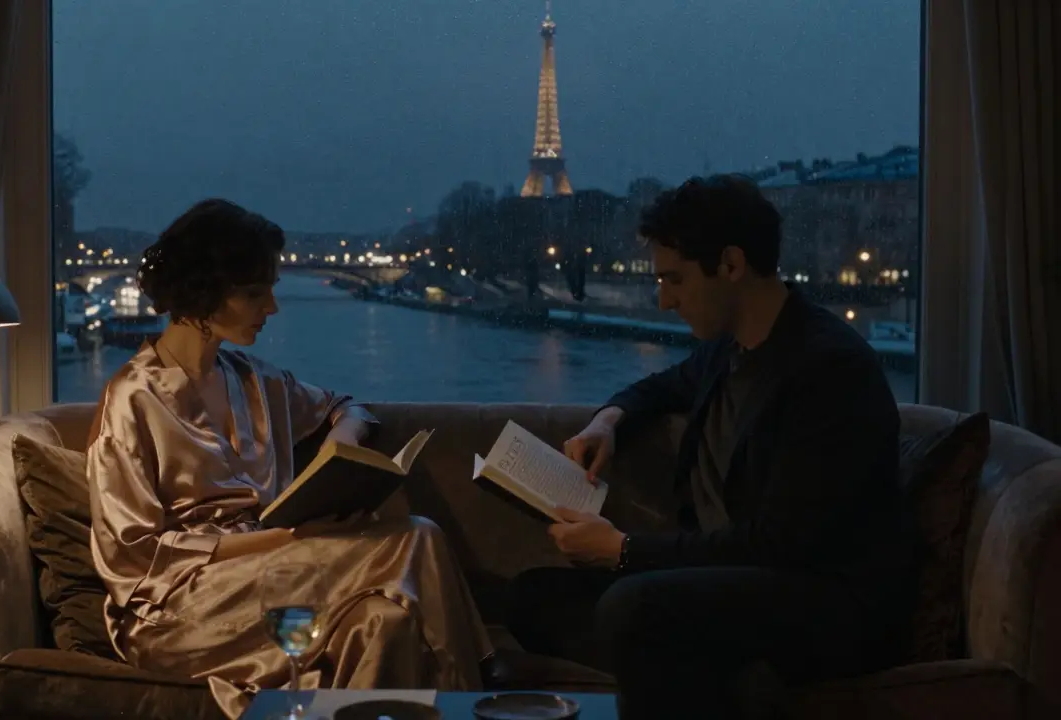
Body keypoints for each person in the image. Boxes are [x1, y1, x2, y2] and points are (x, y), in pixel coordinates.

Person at [505, 175, 919, 719]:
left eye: (674, 280)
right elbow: (661, 387)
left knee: (633, 610)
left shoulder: (830, 371)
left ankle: (705, 666)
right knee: (531, 596)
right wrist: (608, 421)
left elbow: (780, 545)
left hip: (820, 599)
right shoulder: (730, 347)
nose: (663, 299)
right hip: (732, 582)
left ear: (729, 264)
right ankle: (724, 674)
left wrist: (624, 551)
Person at [88, 199, 492, 719]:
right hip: (179, 607)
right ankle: (481, 687)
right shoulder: (132, 398)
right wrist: (286, 538)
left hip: (278, 574)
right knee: (416, 534)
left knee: (383, 622)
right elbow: (135, 557)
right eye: (257, 293)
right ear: (205, 292)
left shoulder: (256, 381)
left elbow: (348, 407)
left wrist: (337, 448)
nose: (272, 308)